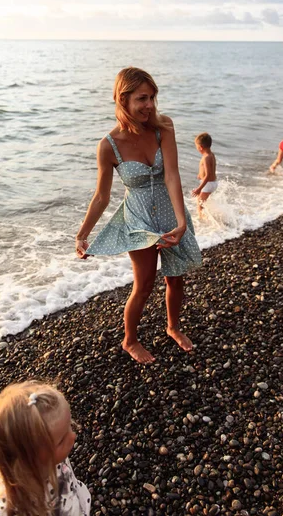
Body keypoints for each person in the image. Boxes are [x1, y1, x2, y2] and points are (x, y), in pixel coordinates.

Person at [75, 67, 201, 365]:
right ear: (123, 99)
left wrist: (182, 222)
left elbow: (171, 175)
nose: (150, 105)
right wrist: (82, 234)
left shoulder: (163, 127)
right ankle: (130, 340)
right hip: (139, 220)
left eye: (153, 97)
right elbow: (102, 197)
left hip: (171, 213)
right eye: (142, 98)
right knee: (143, 284)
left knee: (176, 279)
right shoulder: (108, 146)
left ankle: (173, 327)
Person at [0, 381, 91, 516]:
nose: (73, 436)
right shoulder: (13, 508)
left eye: (69, 426)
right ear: (29, 455)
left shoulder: (45, 457)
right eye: (61, 440)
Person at [191, 132, 217, 216]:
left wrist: (199, 188)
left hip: (208, 183)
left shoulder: (206, 158)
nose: (197, 149)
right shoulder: (211, 155)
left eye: (197, 147)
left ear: (201, 147)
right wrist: (200, 174)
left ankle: (202, 220)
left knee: (200, 203)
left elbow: (208, 175)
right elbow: (212, 169)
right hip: (212, 183)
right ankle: (208, 216)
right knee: (202, 201)